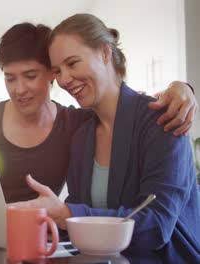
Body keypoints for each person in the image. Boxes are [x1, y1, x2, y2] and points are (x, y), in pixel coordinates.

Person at [0, 22, 198, 228]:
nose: (19, 88)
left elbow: (126, 108)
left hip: (39, 239)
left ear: (50, 74)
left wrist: (183, 88)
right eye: (10, 78)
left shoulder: (77, 123)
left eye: (30, 75)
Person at [12, 14, 200, 262]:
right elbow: (79, 218)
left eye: (73, 63)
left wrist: (66, 213)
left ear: (104, 53)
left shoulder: (161, 120)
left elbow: (156, 226)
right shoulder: (81, 136)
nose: (65, 79)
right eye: (57, 70)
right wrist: (36, 220)